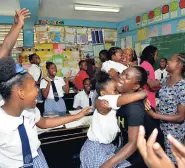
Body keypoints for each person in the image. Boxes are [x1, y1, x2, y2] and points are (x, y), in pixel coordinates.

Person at [0, 50, 91, 168]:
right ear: (21, 93)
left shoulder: (31, 111)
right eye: (34, 86)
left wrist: (76, 116)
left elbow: (45, 122)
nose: (38, 90)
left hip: (37, 158)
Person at [95, 66, 164, 168]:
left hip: (147, 155)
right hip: (130, 150)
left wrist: (107, 165)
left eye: (126, 77)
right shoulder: (119, 98)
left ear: (135, 86)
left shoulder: (134, 108)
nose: (121, 77)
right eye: (122, 73)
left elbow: (133, 142)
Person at [80, 70, 147, 168]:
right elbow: (127, 97)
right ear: (103, 93)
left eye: (126, 76)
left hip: (105, 146)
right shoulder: (107, 99)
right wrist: (143, 93)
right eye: (115, 90)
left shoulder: (117, 100)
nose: (117, 92)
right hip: (97, 147)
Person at [144, 53, 185, 164]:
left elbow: (181, 117)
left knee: (172, 161)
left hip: (174, 131)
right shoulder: (167, 79)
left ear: (179, 65)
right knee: (161, 158)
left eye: (171, 60)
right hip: (162, 126)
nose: (168, 62)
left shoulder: (182, 87)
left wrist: (154, 115)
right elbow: (153, 86)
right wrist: (142, 74)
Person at [140, 45, 161, 110]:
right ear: (151, 55)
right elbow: (152, 86)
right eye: (156, 55)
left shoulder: (143, 64)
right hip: (148, 99)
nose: (157, 58)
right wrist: (159, 84)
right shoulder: (147, 65)